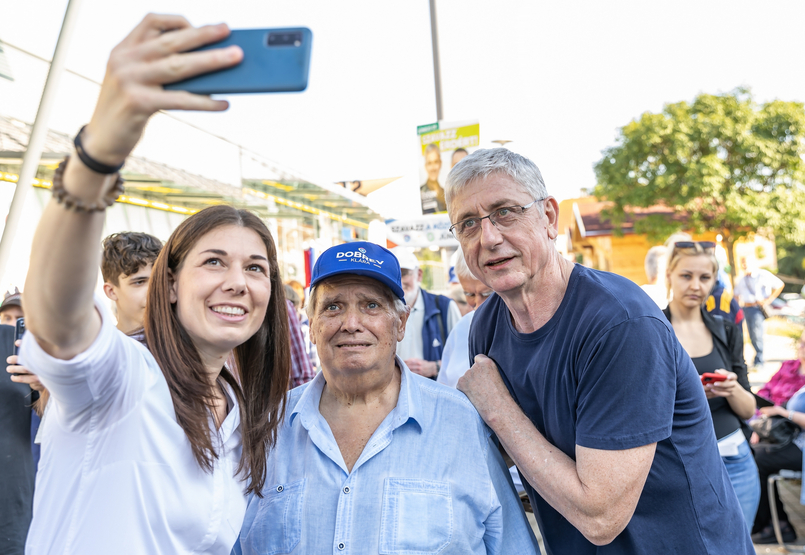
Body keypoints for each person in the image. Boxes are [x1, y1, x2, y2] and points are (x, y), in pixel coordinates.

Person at [18, 15, 290, 554]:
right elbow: (58, 315)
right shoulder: (121, 378)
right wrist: (99, 153)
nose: (237, 282)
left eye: (255, 268)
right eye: (214, 262)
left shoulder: (242, 414)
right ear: (168, 286)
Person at [445, 148, 753, 553]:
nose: (489, 237)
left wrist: (496, 408)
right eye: (468, 223)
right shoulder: (485, 327)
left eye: (505, 212)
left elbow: (601, 516)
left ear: (549, 218)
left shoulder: (619, 324)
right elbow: (505, 454)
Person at [232, 241, 538, 554]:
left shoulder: (460, 421)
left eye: (371, 306)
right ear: (312, 327)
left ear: (400, 323)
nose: (351, 324)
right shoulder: (267, 427)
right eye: (333, 307)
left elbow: (512, 546)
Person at [661, 240, 759, 529]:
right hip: (684, 463)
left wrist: (732, 389)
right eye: (686, 276)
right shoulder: (653, 330)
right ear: (669, 275)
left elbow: (748, 408)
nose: (695, 285)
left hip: (737, 459)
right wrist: (693, 397)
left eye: (705, 278)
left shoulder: (725, 329)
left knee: (739, 544)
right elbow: (644, 409)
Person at [751, 331, 805, 543]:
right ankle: (773, 524)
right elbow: (766, 394)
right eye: (801, 343)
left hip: (798, 444)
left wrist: (783, 413)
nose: (802, 348)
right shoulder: (790, 366)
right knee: (749, 453)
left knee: (755, 460)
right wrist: (759, 424)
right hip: (782, 434)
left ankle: (776, 524)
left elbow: (784, 411)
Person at [390, 246, 461, 379]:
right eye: (392, 275)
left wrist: (435, 367)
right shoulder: (378, 313)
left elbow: (464, 356)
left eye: (403, 273)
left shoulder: (445, 307)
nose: (398, 281)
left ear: (419, 275)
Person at [437, 249, 493, 388]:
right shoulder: (462, 327)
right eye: (469, 294)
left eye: (487, 294)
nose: (478, 305)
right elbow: (444, 388)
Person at [101, 232, 163, 334]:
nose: (154, 291)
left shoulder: (185, 342)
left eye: (159, 280)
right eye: (139, 282)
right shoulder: (105, 347)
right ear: (111, 291)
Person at [734, 256, 785, 370]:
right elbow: (736, 294)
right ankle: (757, 358)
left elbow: (779, 285)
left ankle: (759, 360)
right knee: (751, 335)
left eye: (746, 263)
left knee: (757, 334)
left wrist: (769, 300)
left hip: (757, 308)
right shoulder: (743, 279)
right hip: (746, 309)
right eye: (742, 263)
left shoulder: (763, 275)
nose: (744, 265)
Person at [757, 329, 805, 407]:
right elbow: (767, 387)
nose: (800, 346)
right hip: (765, 410)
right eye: (801, 342)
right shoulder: (788, 365)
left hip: (786, 416)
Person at [420, 143, 446, 214]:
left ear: (440, 163)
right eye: (429, 163)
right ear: (425, 166)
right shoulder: (420, 193)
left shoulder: (446, 193)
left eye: (436, 162)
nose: (433, 168)